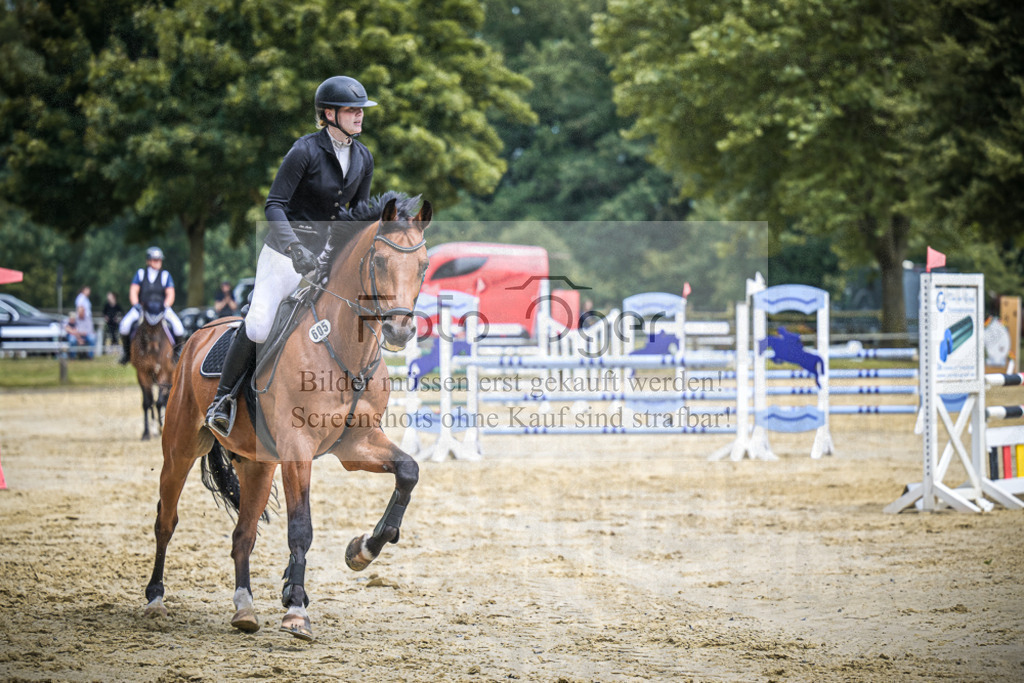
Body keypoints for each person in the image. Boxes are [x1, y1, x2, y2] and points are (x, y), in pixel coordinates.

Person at [205, 75, 377, 436]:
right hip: (284, 251)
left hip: (326, 256)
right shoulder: (304, 151)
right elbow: (274, 205)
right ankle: (222, 400)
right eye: (351, 110)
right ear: (328, 114)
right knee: (259, 324)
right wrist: (295, 248)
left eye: (361, 110)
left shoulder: (363, 157)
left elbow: (356, 216)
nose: (359, 116)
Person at [118, 246, 185, 364]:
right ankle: (127, 354)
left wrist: (166, 305)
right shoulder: (140, 274)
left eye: (159, 260)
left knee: (179, 328)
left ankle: (177, 354)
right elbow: (134, 291)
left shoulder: (165, 275)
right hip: (143, 308)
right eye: (155, 260)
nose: (158, 262)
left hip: (161, 309)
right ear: (148, 261)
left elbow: (170, 293)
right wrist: (136, 304)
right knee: (124, 325)